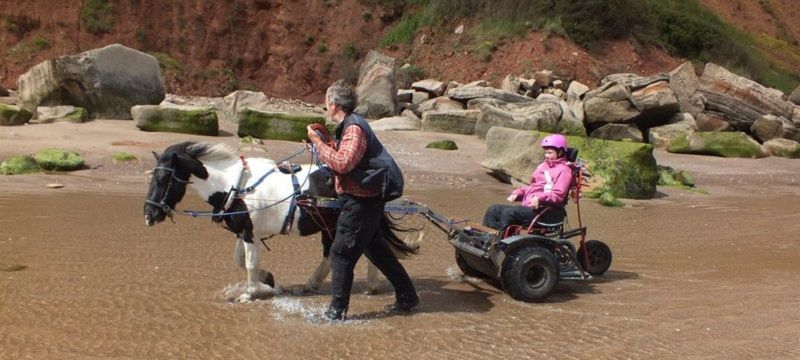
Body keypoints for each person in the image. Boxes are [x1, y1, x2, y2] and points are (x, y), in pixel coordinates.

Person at [306, 79, 418, 321]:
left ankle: (336, 313)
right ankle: (408, 297)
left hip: (362, 203)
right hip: (362, 201)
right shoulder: (348, 126)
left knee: (340, 254)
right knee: (379, 253)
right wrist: (322, 145)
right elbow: (343, 156)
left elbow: (344, 163)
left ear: (334, 104)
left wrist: (318, 144)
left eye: (326, 101)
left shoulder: (354, 127)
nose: (325, 106)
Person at [482, 134, 573, 232]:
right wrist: (518, 193)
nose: (547, 156)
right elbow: (533, 187)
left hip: (546, 211)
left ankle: (501, 243)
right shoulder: (544, 166)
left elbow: (557, 195)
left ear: (559, 152)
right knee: (493, 210)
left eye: (550, 153)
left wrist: (539, 198)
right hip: (531, 207)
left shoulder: (565, 170)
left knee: (509, 213)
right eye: (546, 153)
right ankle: (487, 237)